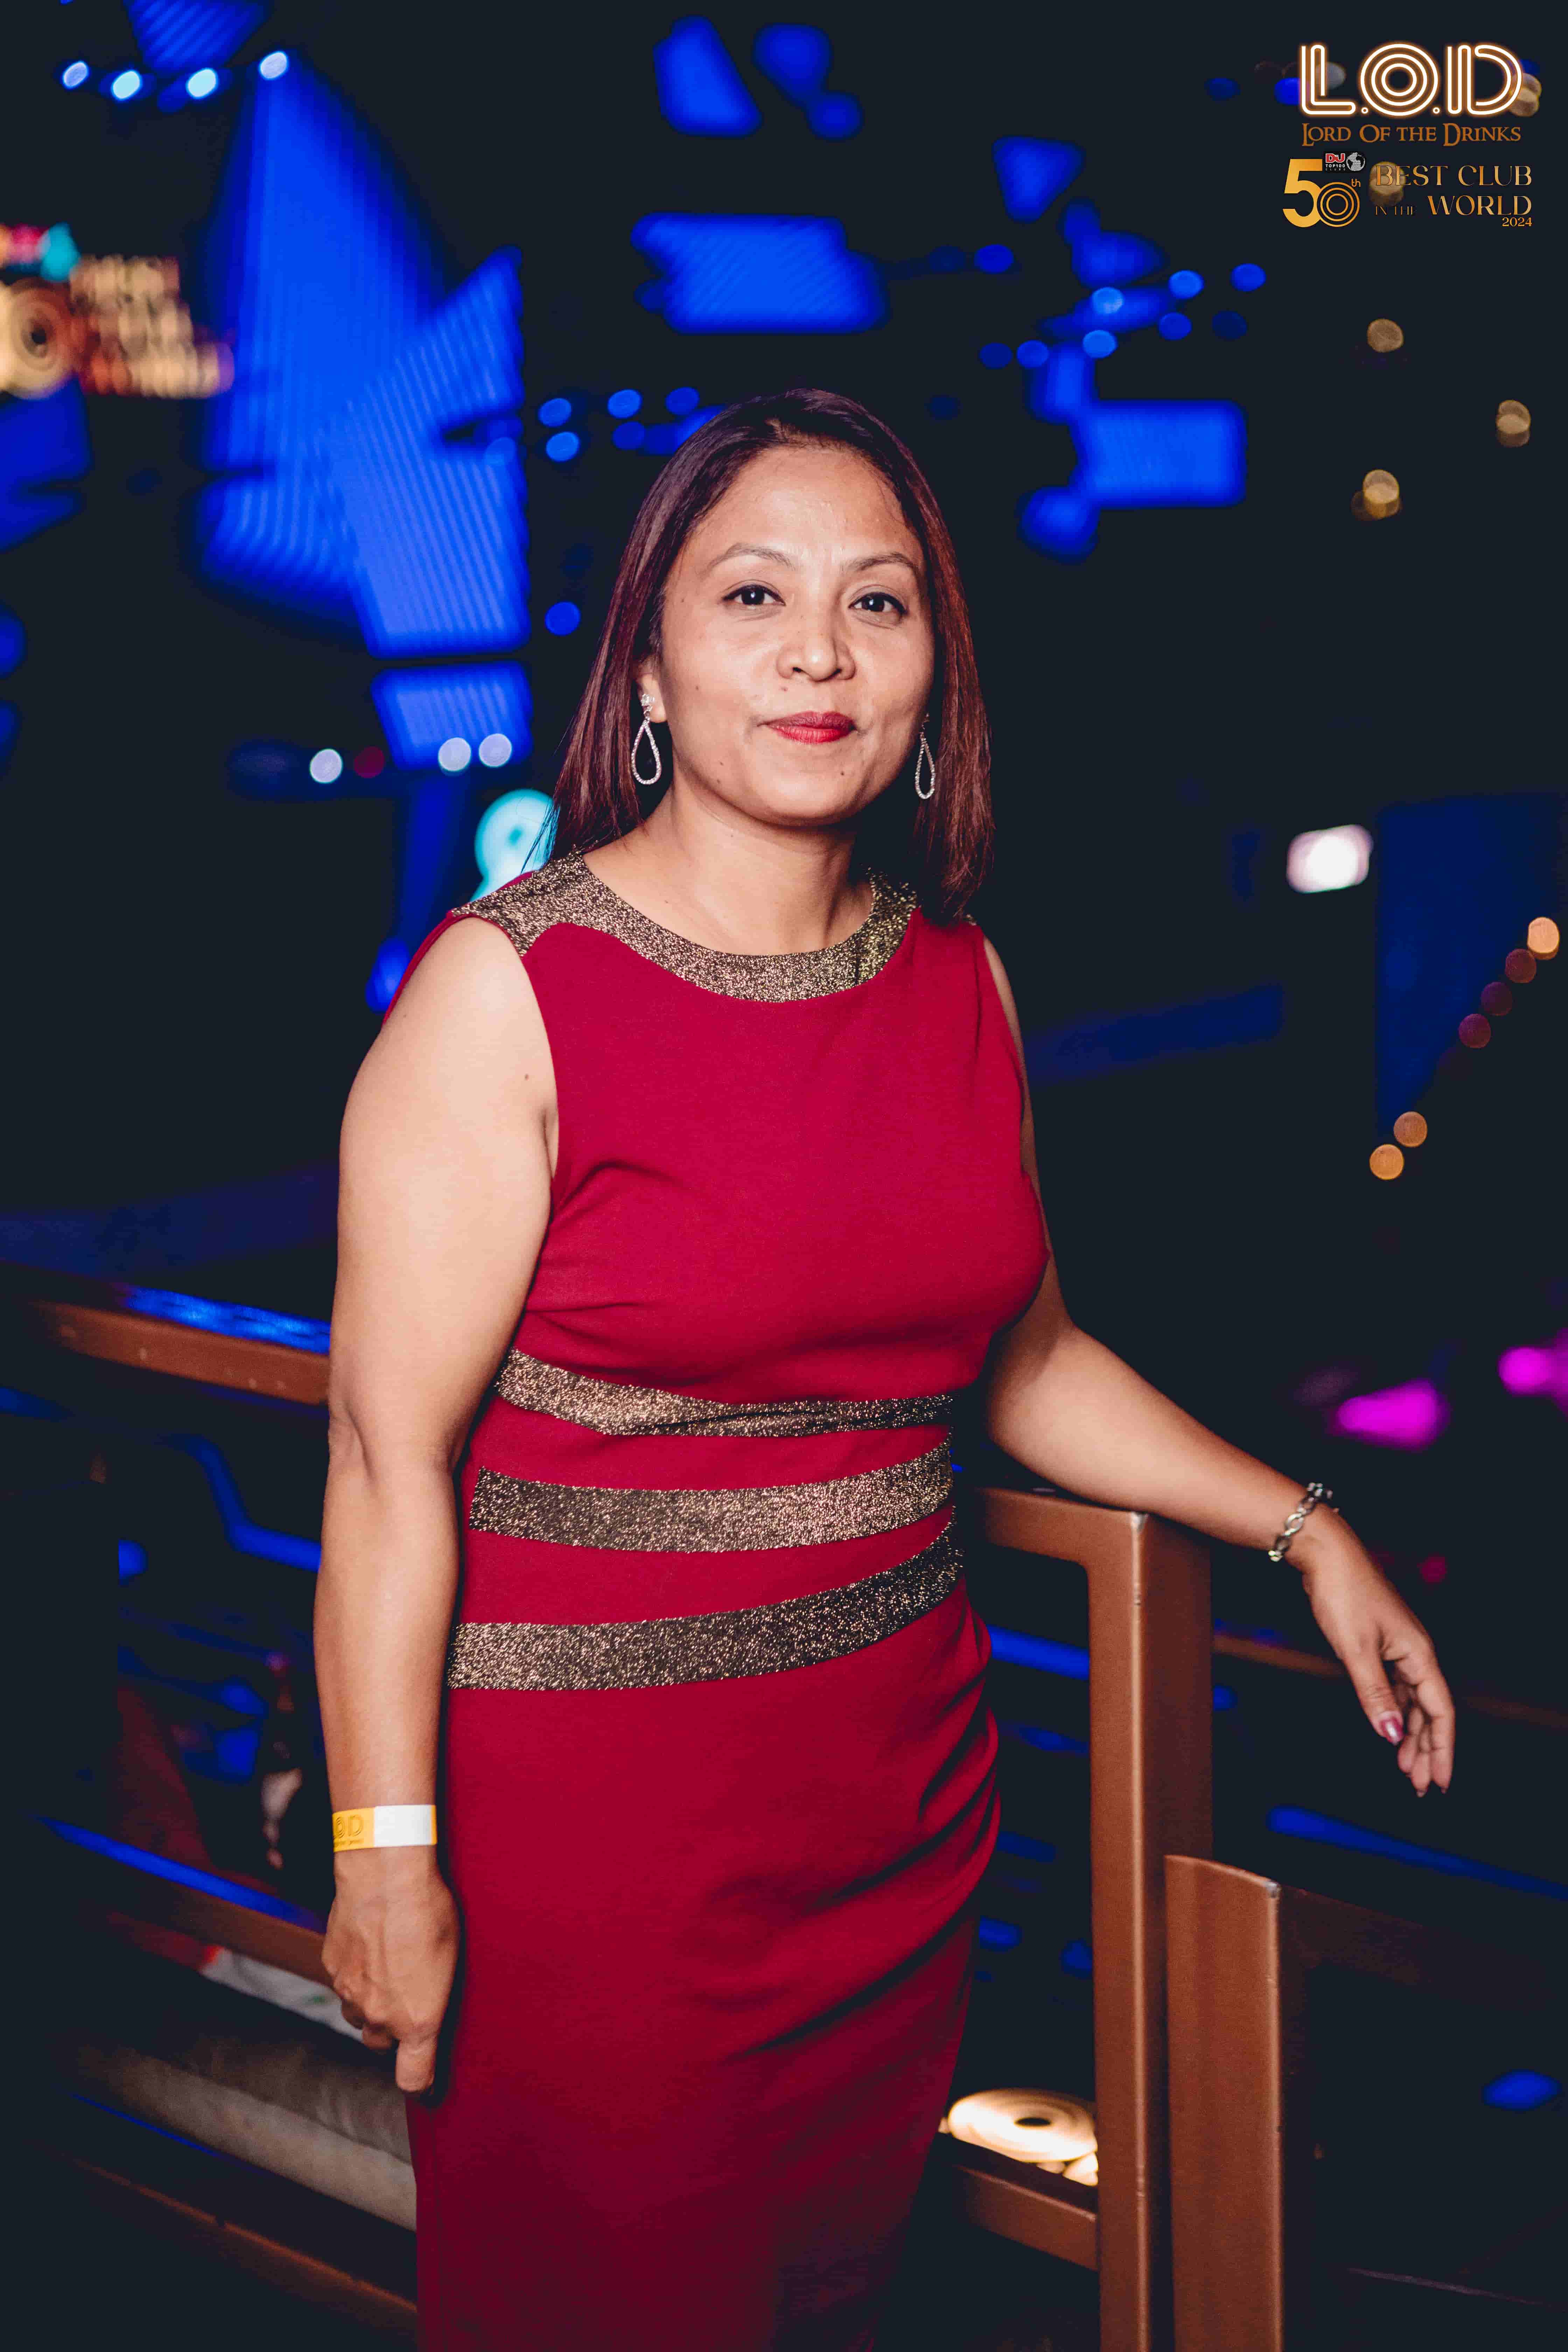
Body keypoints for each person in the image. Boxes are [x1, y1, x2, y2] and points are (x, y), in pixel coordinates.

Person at [314, 386, 1455, 2350]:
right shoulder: (506, 994)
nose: (822, 653)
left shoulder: (959, 978)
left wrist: (1307, 1527)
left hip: (898, 1831)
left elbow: (1026, 1361)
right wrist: (385, 1858)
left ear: (937, 672)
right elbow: (382, 1463)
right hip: (593, 1874)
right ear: (649, 667)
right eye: (753, 595)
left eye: (879, 600)